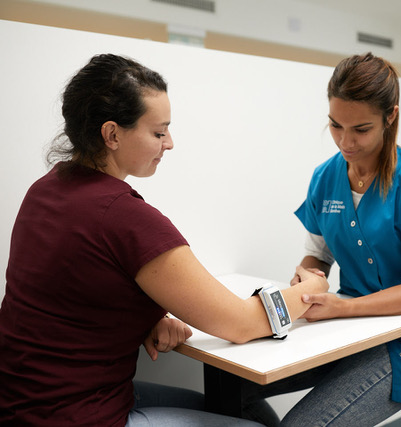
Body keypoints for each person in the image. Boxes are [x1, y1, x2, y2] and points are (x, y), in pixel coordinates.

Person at [0, 54, 328, 427]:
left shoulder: (44, 191)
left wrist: (149, 315)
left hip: (21, 403)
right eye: (158, 132)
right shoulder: (124, 217)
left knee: (229, 405)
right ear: (111, 134)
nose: (169, 143)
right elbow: (240, 323)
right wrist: (312, 288)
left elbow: (79, 288)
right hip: (77, 416)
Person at [283, 52, 401, 426]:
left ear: (390, 116)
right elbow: (317, 254)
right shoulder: (325, 177)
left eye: (360, 129)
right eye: (335, 125)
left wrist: (340, 307)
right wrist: (309, 279)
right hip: (345, 332)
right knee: (233, 393)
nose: (345, 142)